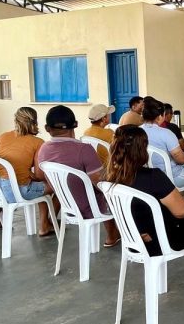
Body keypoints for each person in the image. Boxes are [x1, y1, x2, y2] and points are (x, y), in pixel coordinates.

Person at [105, 125, 184, 286]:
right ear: (142, 150)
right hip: (162, 241)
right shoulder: (153, 177)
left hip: (133, 240)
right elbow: (181, 211)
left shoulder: (109, 178)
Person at [37, 105, 121, 247]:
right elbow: (100, 184)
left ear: (47, 128)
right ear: (75, 124)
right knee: (111, 190)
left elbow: (41, 176)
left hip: (67, 206)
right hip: (89, 207)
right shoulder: (84, 149)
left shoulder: (43, 149)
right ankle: (113, 235)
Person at [0, 107, 55, 236]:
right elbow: (39, 175)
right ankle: (45, 225)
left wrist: (30, 175)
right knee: (53, 185)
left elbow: (13, 166)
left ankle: (45, 224)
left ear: (16, 120)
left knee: (39, 185)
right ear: (35, 121)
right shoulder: (38, 142)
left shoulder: (3, 136)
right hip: (16, 193)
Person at [140, 97, 184, 207]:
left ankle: (183, 201)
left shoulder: (138, 132)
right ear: (160, 116)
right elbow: (181, 160)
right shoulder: (166, 133)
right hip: (171, 177)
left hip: (148, 176)